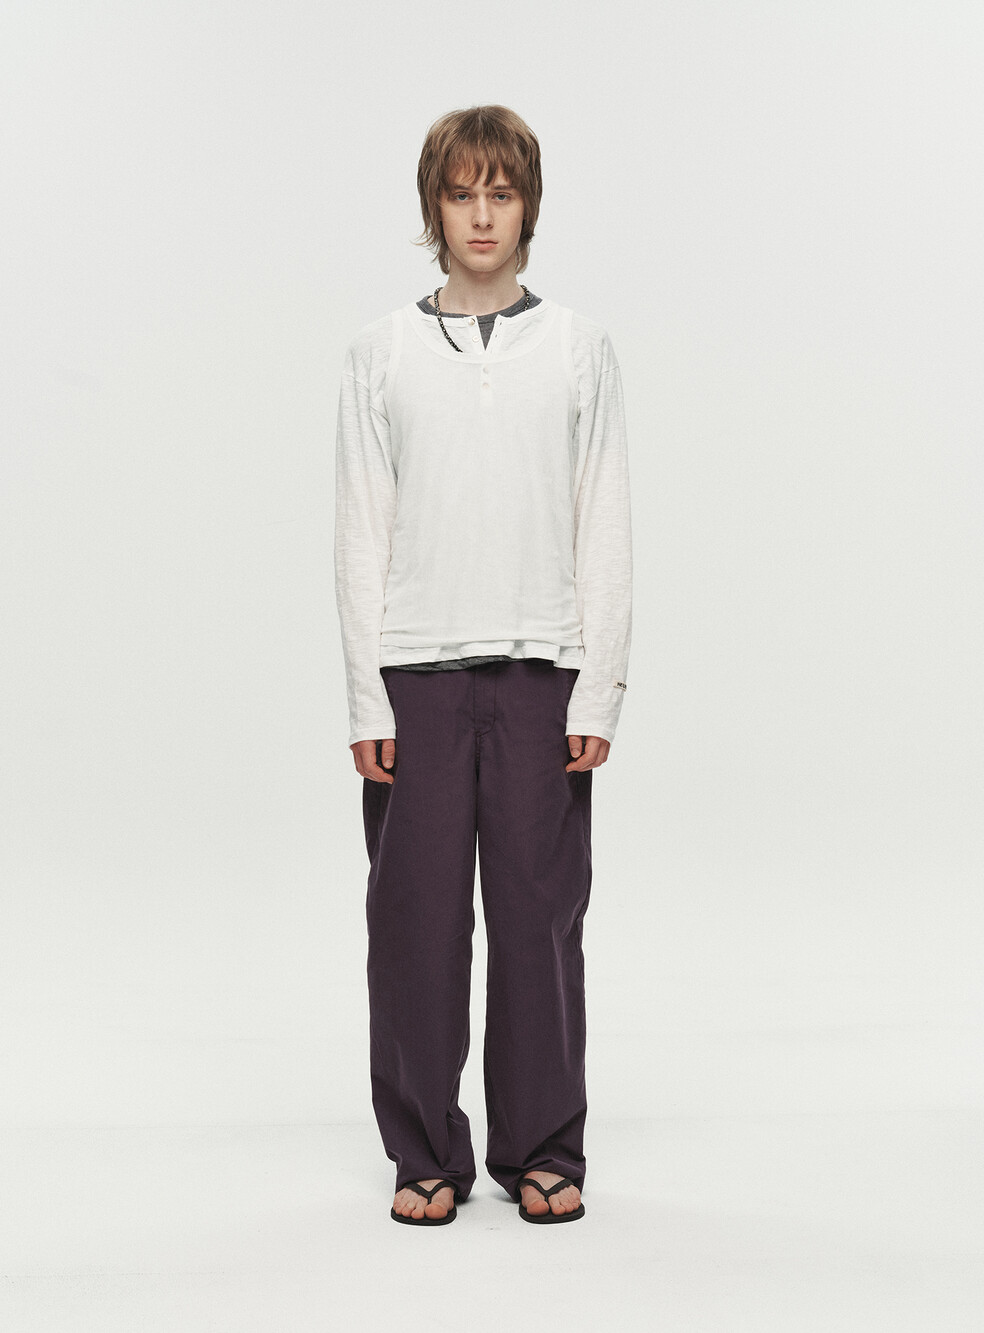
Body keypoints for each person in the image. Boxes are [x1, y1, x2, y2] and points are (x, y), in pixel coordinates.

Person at [334, 104, 632, 1226]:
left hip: (541, 670)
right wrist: (365, 696)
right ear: (434, 207)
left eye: (500, 193)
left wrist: (599, 684)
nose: (480, 215)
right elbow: (361, 531)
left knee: (540, 920)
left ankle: (543, 1143)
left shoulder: (580, 350)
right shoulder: (380, 354)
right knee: (413, 923)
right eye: (460, 194)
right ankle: (424, 1149)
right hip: (415, 675)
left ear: (527, 207)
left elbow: (603, 519)